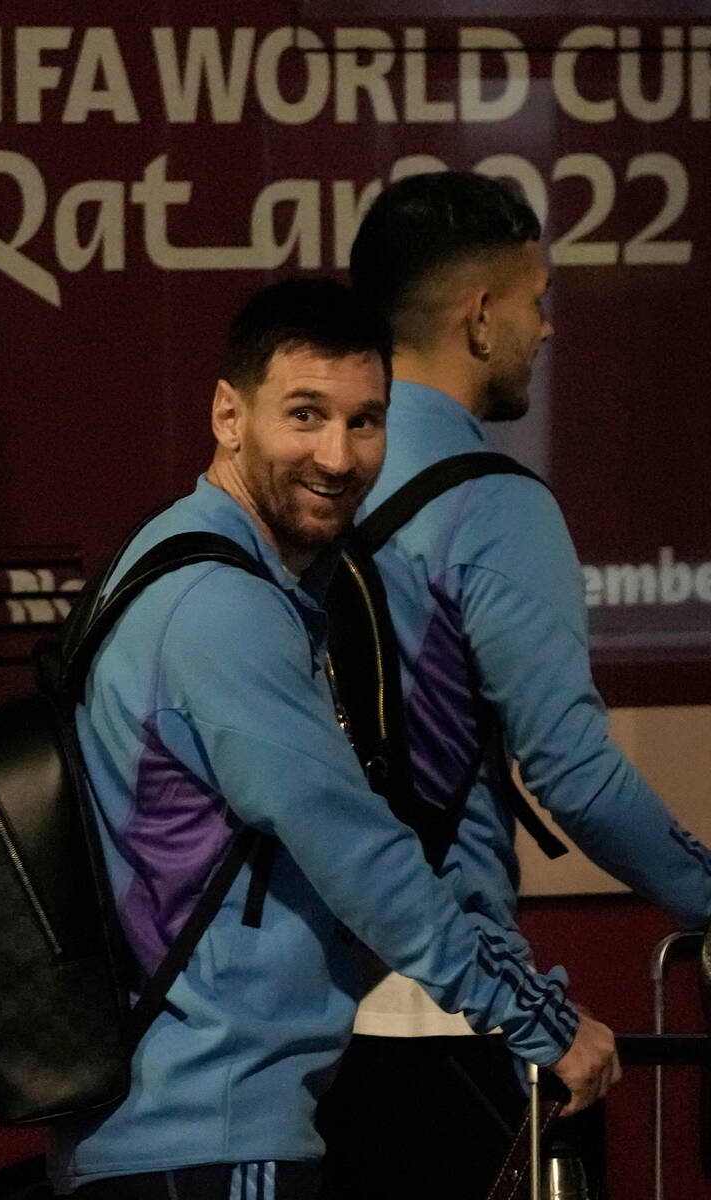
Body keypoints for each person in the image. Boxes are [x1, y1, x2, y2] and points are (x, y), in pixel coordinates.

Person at [47, 276, 617, 1200]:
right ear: (228, 415)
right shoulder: (221, 609)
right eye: (304, 414)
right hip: (206, 1140)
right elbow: (359, 853)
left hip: (178, 1133)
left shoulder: (185, 561)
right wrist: (536, 1020)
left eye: (365, 421)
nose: (338, 455)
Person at [315, 172, 711, 1198]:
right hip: (446, 1018)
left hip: (297, 1021)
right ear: (477, 317)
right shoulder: (495, 506)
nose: (546, 329)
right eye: (536, 302)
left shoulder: (297, 486)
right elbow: (572, 772)